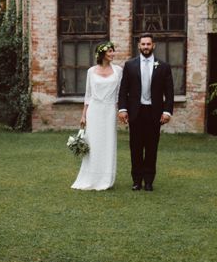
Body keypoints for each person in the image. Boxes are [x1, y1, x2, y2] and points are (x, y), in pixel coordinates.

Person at [118, 32, 174, 191]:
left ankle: (149, 181)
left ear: (153, 45)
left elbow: (169, 92)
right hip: (136, 112)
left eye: (148, 44)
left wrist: (167, 112)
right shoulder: (130, 65)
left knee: (151, 147)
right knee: (135, 147)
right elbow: (123, 90)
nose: (146, 47)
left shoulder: (163, 66)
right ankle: (136, 181)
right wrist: (122, 109)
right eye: (143, 44)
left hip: (154, 112)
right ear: (139, 46)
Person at [71, 41, 122, 191]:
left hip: (109, 110)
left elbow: (119, 94)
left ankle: (106, 178)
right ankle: (91, 177)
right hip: (94, 110)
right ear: (102, 53)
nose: (112, 54)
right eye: (110, 51)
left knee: (107, 142)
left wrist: (121, 111)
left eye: (113, 51)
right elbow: (88, 95)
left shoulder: (118, 70)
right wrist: (83, 115)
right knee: (93, 143)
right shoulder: (91, 71)